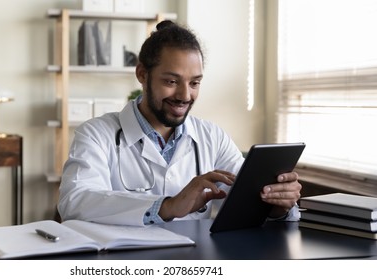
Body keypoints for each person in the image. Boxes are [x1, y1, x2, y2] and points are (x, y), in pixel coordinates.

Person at [58, 20, 302, 226]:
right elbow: (75, 201)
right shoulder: (96, 134)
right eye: (172, 82)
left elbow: (246, 198)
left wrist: (276, 204)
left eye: (194, 83)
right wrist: (167, 206)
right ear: (142, 74)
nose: (185, 95)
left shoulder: (212, 137)